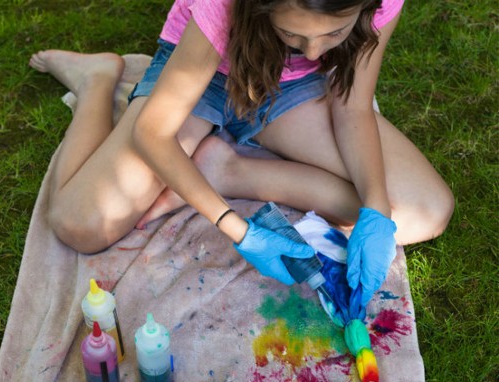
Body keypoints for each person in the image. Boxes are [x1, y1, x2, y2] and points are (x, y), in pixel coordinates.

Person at [28, 0, 453, 305]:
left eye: (334, 34)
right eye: (292, 33)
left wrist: (376, 210)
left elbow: (352, 104)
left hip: (293, 90)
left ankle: (226, 169)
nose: (312, 51)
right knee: (80, 223)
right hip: (205, 73)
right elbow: (154, 130)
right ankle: (96, 81)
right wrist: (237, 229)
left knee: (425, 211)